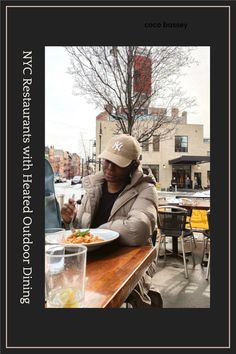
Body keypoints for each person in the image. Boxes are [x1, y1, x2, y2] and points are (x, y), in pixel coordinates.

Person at [61, 134, 162, 308]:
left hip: (127, 269)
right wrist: (70, 221)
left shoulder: (146, 190)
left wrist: (97, 233)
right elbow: (81, 231)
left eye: (118, 163)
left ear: (133, 165)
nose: (109, 167)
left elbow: (138, 229)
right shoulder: (93, 189)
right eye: (107, 160)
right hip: (88, 265)